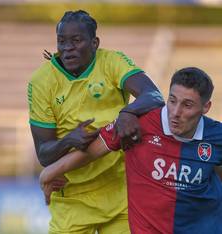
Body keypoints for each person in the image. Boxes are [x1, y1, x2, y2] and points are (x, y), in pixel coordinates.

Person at [27, 10, 164, 234]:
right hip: (72, 198)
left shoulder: (112, 61)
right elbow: (44, 154)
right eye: (61, 41)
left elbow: (154, 96)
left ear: (95, 42)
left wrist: (127, 113)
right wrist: (69, 140)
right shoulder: (41, 81)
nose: (67, 48)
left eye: (76, 40)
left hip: (121, 193)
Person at [40, 67, 222, 234]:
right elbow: (90, 152)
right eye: (172, 100)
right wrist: (48, 173)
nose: (175, 112)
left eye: (187, 105)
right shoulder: (138, 124)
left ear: (205, 107)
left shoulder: (216, 136)